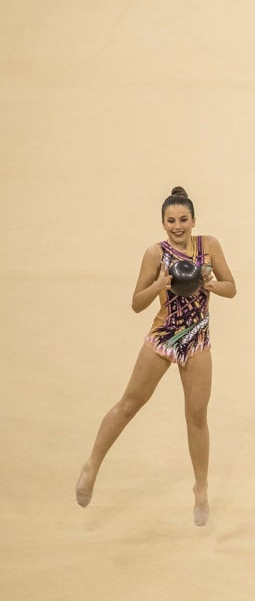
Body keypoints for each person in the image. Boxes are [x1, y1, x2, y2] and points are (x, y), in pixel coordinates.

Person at [75, 186, 237, 526]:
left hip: (197, 339)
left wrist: (209, 283)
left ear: (194, 221)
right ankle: (92, 465)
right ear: (163, 223)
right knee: (129, 404)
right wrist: (159, 285)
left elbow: (231, 288)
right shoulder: (155, 253)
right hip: (164, 336)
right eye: (170, 221)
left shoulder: (209, 246)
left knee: (197, 416)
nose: (177, 226)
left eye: (183, 220)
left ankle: (201, 488)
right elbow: (137, 303)